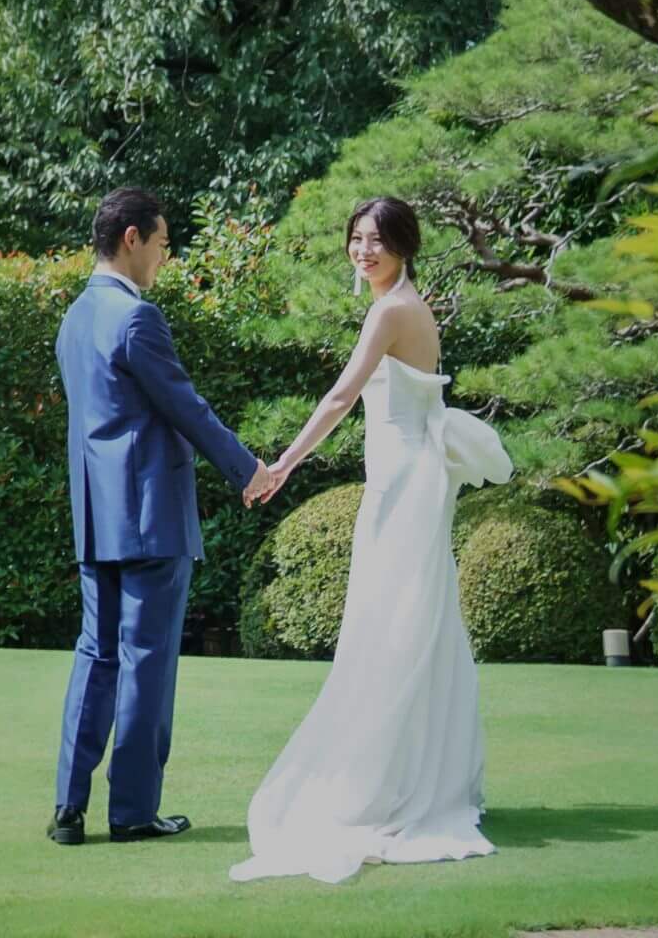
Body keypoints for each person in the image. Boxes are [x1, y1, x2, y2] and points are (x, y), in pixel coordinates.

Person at [229, 195, 510, 885]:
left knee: (395, 630)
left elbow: (340, 397)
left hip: (406, 487)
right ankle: (410, 771)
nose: (364, 251)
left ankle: (387, 780)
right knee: (405, 626)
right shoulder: (400, 304)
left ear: (405, 246)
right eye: (356, 239)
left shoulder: (392, 310)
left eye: (377, 240)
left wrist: (283, 464)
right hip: (403, 482)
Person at [49, 188, 277, 848]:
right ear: (132, 238)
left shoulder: (73, 320)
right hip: (150, 515)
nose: (164, 256)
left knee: (96, 655)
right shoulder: (137, 318)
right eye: (162, 242)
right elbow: (186, 407)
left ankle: (69, 808)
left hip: (97, 518)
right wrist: (249, 470)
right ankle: (132, 813)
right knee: (147, 659)